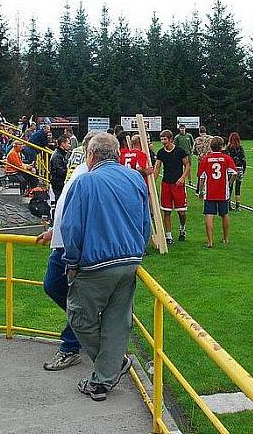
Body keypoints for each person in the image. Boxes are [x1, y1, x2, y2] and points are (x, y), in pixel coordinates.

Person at [61, 133, 149, 402]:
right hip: (130, 262)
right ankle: (102, 380)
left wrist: (72, 262)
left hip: (96, 266)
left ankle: (109, 370)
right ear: (118, 154)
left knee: (78, 317)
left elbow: (71, 228)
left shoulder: (85, 182)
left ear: (91, 156)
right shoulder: (135, 178)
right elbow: (146, 222)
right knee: (116, 322)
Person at [34, 131, 101, 373]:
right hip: (63, 241)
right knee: (54, 287)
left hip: (72, 245)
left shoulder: (92, 175)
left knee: (72, 296)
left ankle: (71, 345)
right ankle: (87, 326)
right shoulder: (82, 170)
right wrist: (54, 230)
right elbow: (66, 206)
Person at [197, 137, 238, 248]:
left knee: (209, 215)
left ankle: (210, 241)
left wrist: (200, 191)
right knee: (224, 214)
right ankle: (226, 239)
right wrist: (229, 183)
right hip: (223, 192)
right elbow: (234, 173)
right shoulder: (226, 158)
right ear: (222, 146)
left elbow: (201, 177)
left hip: (209, 192)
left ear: (210, 146)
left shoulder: (206, 159)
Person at [153, 129, 191, 244]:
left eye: (165, 139)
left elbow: (187, 165)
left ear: (170, 139)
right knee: (167, 211)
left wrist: (183, 177)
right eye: (161, 139)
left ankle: (182, 229)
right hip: (166, 184)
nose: (163, 141)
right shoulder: (160, 152)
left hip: (178, 184)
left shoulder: (180, 151)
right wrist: (153, 183)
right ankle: (168, 236)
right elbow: (157, 168)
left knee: (181, 212)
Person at [226, 132, 247, 211]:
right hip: (239, 168)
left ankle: (228, 204)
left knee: (229, 186)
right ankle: (238, 206)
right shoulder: (240, 148)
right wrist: (243, 170)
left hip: (231, 169)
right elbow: (244, 160)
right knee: (238, 187)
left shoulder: (228, 148)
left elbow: (227, 159)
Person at [48, 135, 72, 201]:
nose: (69, 145)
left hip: (59, 182)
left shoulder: (61, 154)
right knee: (60, 200)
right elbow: (60, 171)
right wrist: (70, 171)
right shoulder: (57, 156)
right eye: (68, 143)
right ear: (62, 144)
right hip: (58, 183)